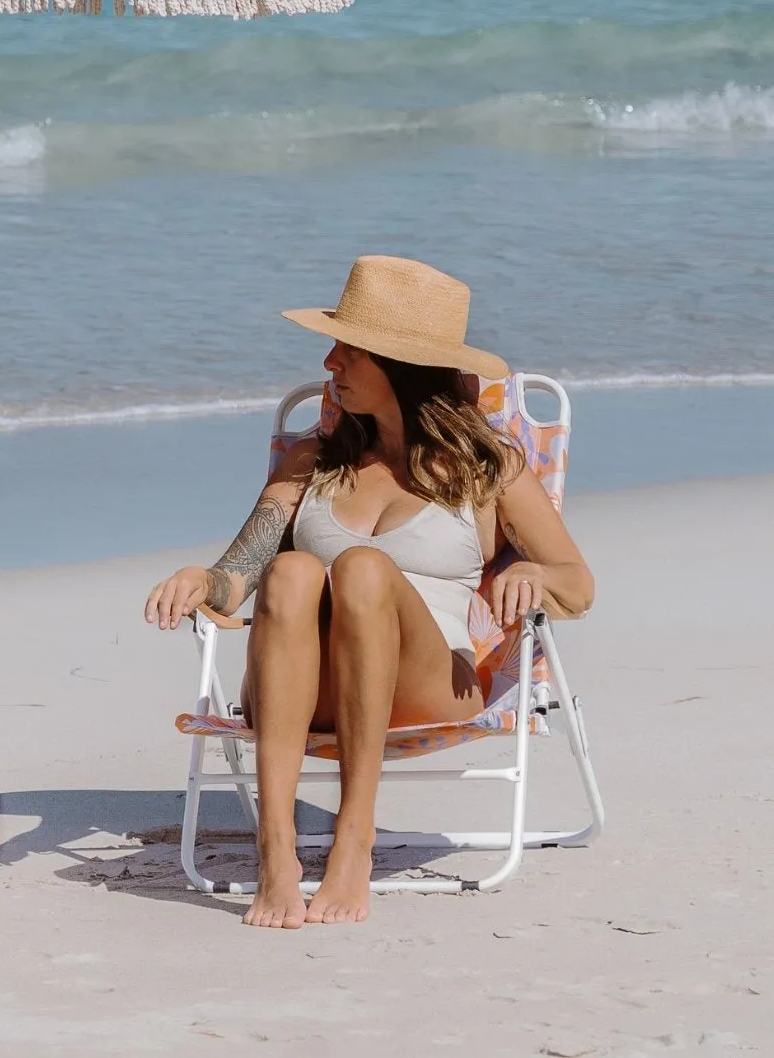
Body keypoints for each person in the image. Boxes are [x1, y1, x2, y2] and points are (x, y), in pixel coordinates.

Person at [144, 255, 593, 928]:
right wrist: (198, 578)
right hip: (300, 686)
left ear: (400, 366)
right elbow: (237, 576)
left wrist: (531, 572)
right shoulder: (311, 463)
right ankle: (277, 848)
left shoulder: (486, 468)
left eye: (347, 350)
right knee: (294, 569)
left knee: (359, 567)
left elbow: (575, 584)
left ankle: (354, 837)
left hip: (425, 679)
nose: (329, 364)